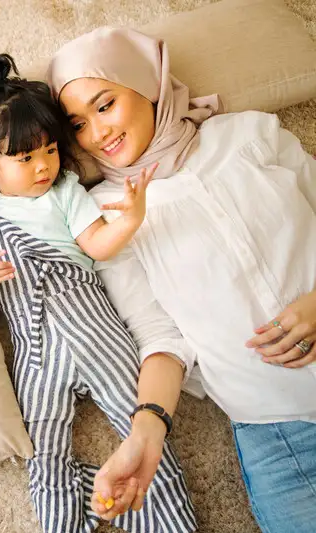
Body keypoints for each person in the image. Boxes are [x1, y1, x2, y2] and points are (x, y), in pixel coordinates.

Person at [48, 27, 316, 533]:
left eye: (105, 104)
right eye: (77, 125)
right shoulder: (103, 217)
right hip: (278, 431)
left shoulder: (249, 134)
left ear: (147, 83)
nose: (97, 133)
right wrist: (144, 434)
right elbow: (162, 338)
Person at [0, 54, 196, 533]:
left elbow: (97, 244)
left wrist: (130, 220)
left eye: (51, 150)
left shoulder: (65, 192)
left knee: (140, 429)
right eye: (25, 159)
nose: (44, 166)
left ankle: (169, 522)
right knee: (42, 448)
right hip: (34, 347)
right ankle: (62, 520)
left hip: (94, 327)